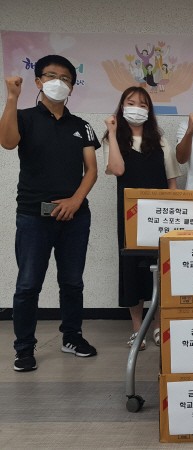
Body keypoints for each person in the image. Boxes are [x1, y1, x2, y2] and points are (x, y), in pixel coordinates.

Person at [0, 54, 100, 372]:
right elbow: (7, 142)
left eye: (66, 78)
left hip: (75, 217)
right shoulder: (24, 117)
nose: (59, 82)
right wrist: (12, 98)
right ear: (39, 81)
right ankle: (24, 348)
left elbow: (91, 170)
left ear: (72, 86)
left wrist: (75, 201)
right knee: (28, 285)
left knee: (72, 282)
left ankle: (72, 337)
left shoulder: (81, 126)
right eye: (52, 76)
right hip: (34, 216)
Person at [103, 86, 180, 350]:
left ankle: (158, 324)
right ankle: (137, 328)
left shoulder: (160, 140)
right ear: (122, 106)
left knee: (160, 270)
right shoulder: (113, 139)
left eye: (143, 104)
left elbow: (172, 182)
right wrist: (112, 131)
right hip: (130, 216)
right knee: (131, 269)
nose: (137, 108)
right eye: (131, 103)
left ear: (150, 111)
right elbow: (117, 169)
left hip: (160, 216)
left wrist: (175, 218)